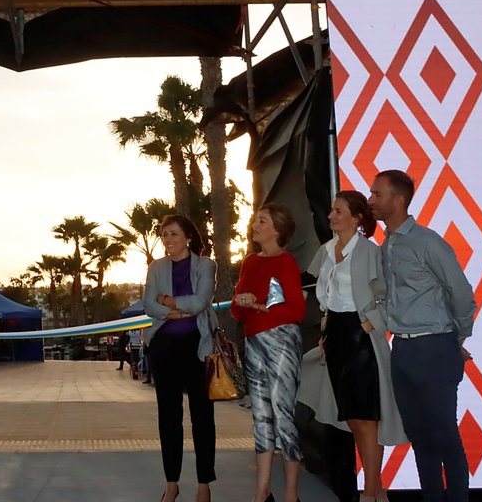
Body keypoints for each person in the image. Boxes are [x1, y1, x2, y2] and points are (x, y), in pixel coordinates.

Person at [368, 170, 476, 502]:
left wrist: (457, 338)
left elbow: (460, 291)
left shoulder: (428, 242)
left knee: (444, 434)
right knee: (419, 436)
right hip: (402, 350)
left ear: (398, 200)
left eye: (377, 194)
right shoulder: (387, 245)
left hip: (434, 347)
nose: (371, 201)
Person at [300, 191, 406, 502]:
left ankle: (371, 491)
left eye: (338, 211)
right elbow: (320, 291)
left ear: (356, 218)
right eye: (331, 210)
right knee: (352, 418)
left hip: (361, 339)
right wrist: (326, 328)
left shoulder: (370, 252)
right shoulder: (326, 250)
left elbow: (388, 291)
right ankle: (377, 490)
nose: (331, 216)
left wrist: (370, 324)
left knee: (366, 417)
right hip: (336, 336)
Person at [231, 203, 306, 502]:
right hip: (254, 345)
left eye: (262, 220)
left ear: (277, 228)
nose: (255, 224)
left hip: (281, 342)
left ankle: (290, 493)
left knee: (283, 415)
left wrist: (261, 308)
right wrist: (244, 301)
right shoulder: (250, 262)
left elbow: (297, 310)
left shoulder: (286, 262)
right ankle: (261, 493)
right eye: (255, 219)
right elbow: (237, 311)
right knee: (260, 417)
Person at [143, 214, 217, 502]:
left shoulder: (205, 264)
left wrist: (169, 302)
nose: (168, 240)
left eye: (174, 234)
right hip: (164, 347)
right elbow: (149, 305)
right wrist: (173, 312)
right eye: (164, 235)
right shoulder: (156, 267)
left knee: (202, 416)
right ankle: (171, 483)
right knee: (168, 418)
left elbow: (201, 302)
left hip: (197, 347)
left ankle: (204, 484)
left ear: (188, 237)